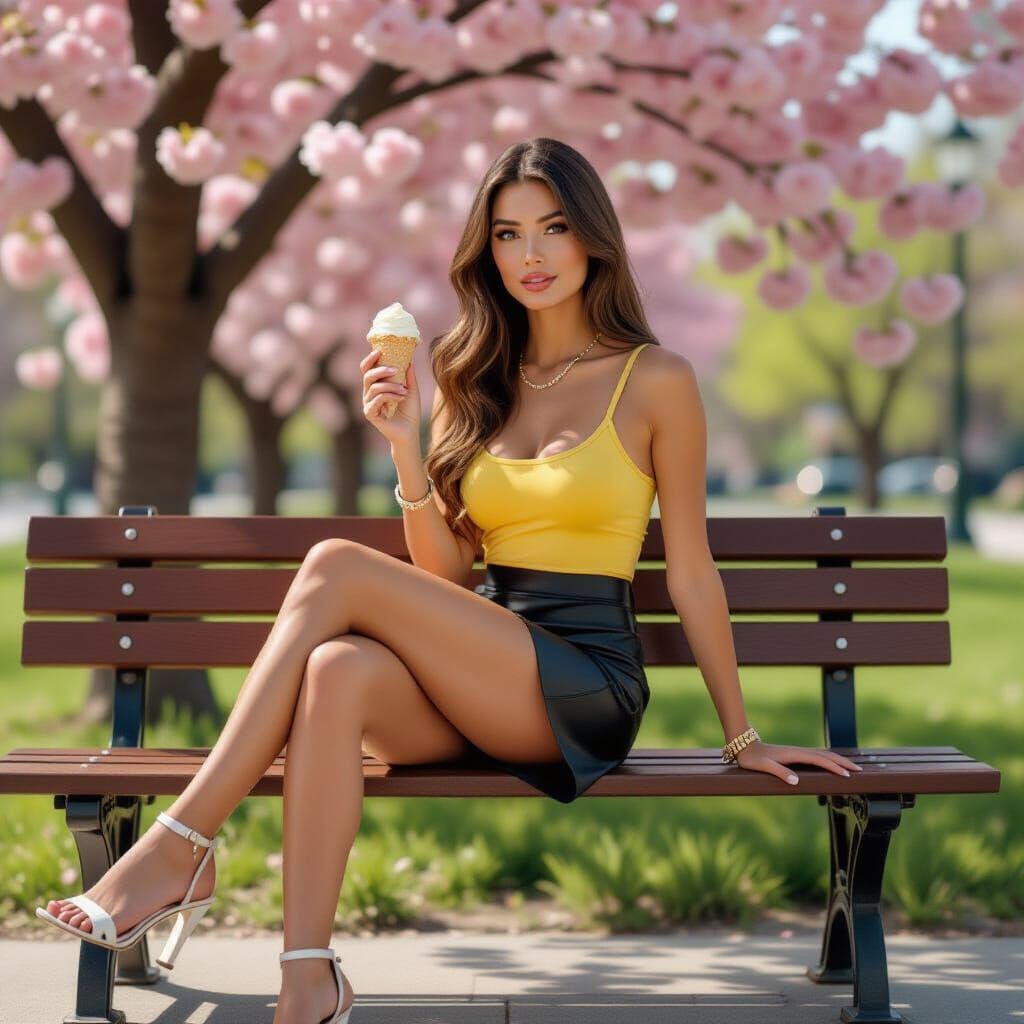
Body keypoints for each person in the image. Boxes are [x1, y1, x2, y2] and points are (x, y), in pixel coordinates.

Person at [36, 137, 862, 1024]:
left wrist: (743, 738)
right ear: (487, 250)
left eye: (553, 228)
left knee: (333, 565)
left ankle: (180, 845)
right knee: (334, 671)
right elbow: (447, 574)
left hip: (582, 682)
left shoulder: (655, 379)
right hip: (481, 668)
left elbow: (692, 571)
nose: (532, 255)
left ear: (594, 240)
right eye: (508, 234)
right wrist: (405, 450)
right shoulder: (472, 373)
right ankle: (307, 976)